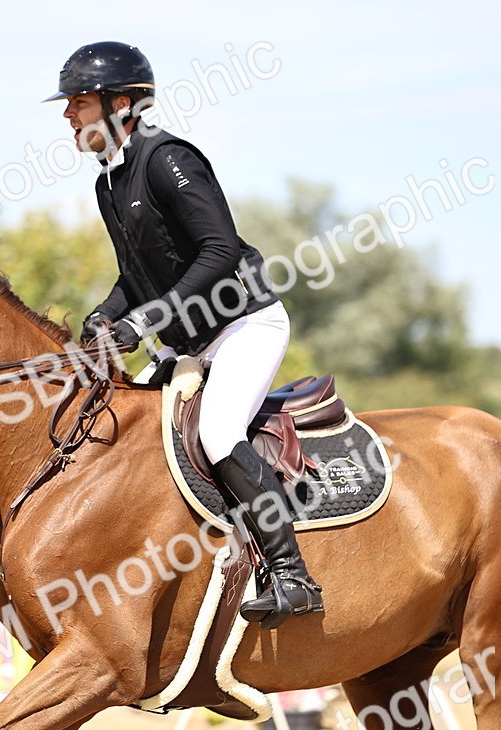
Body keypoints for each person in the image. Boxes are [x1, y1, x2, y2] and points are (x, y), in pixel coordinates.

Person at [45, 42, 323, 629]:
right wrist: (104, 316)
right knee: (121, 431)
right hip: (186, 344)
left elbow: (219, 250)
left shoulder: (168, 158)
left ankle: (293, 575)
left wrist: (144, 321)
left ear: (121, 104)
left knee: (220, 435)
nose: (67, 115)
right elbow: (136, 276)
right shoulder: (109, 184)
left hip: (243, 325)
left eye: (78, 102)